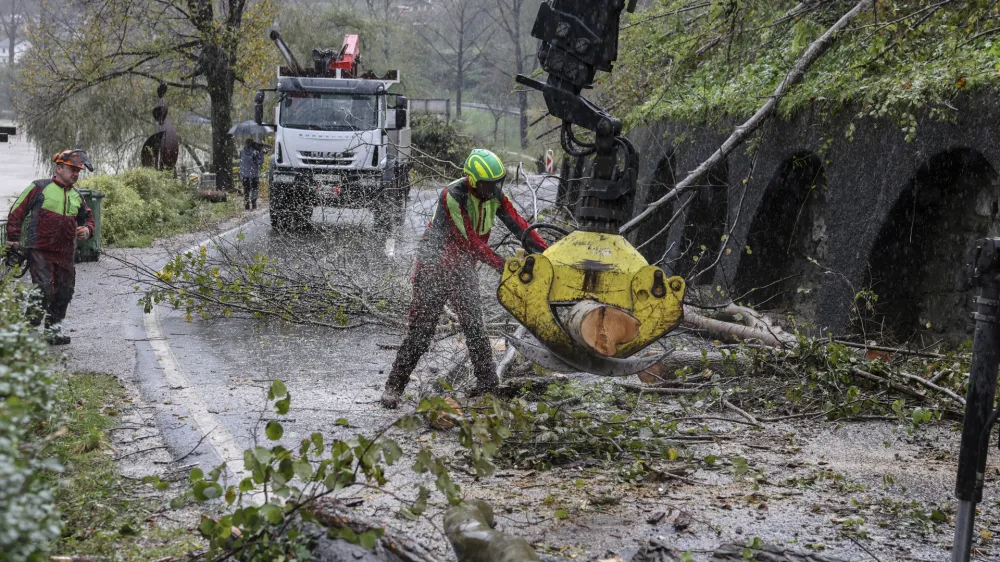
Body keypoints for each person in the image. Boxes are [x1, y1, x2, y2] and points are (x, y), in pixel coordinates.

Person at [380, 149, 549, 409]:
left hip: (463, 269)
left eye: (496, 183)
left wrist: (546, 252)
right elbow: (469, 241)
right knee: (421, 332)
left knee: (475, 328)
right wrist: (502, 266)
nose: (492, 189)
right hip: (433, 269)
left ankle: (489, 386)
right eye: (486, 184)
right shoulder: (453, 196)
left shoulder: (495, 195)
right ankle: (393, 387)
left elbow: (520, 226)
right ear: (472, 180)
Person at [5, 149, 95, 345]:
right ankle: (29, 332)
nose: (76, 174)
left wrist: (87, 230)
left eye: (78, 171)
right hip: (40, 249)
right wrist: (12, 239)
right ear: (59, 168)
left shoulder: (77, 196)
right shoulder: (39, 187)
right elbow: (17, 210)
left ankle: (52, 332)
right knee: (43, 289)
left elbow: (88, 218)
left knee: (65, 291)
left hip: (66, 252)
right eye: (72, 170)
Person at [239, 139, 264, 210]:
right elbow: (259, 162)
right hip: (254, 175)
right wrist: (261, 154)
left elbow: (242, 162)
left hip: (244, 174)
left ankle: (246, 205)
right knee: (254, 189)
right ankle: (253, 203)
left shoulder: (241, 152)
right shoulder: (255, 152)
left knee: (246, 190)